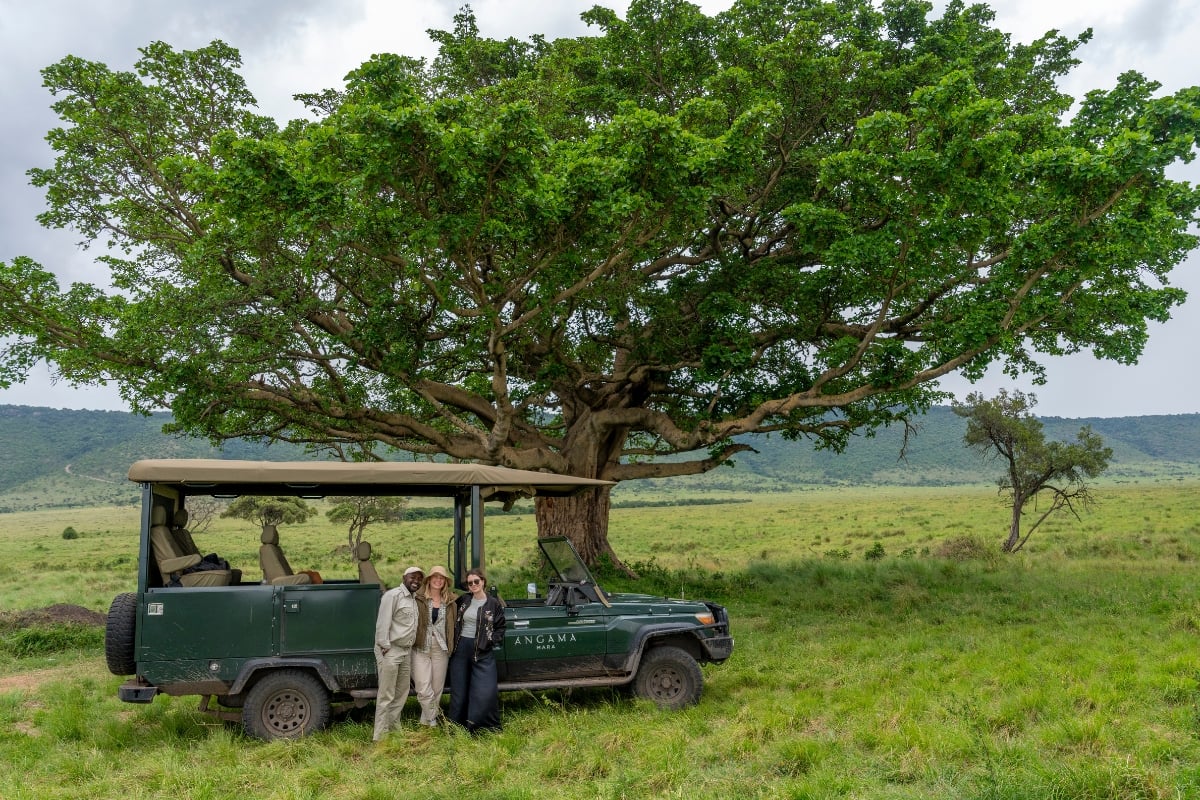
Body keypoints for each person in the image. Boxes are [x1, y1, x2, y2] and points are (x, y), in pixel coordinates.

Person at [447, 568, 506, 733]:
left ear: (483, 582)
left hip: (481, 650)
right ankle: (456, 728)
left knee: (484, 691)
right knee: (459, 691)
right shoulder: (464, 600)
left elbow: (501, 627)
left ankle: (482, 728)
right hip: (460, 648)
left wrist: (489, 641)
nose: (473, 585)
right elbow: (449, 609)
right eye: (469, 582)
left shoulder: (493, 603)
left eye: (476, 581)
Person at [372, 565, 424, 741]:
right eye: (412, 577)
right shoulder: (392, 596)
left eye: (419, 578)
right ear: (404, 578)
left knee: (401, 693)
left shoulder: (413, 599)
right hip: (391, 650)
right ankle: (380, 736)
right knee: (386, 694)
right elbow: (382, 623)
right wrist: (385, 646)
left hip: (406, 651)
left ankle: (394, 729)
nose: (416, 581)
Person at [412, 565, 457, 726]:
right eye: (435, 577)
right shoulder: (418, 598)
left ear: (445, 582)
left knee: (437, 688)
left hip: (441, 648)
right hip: (420, 647)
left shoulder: (451, 601)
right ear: (429, 580)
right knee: (423, 688)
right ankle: (433, 718)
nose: (438, 580)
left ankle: (427, 723)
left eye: (441, 578)